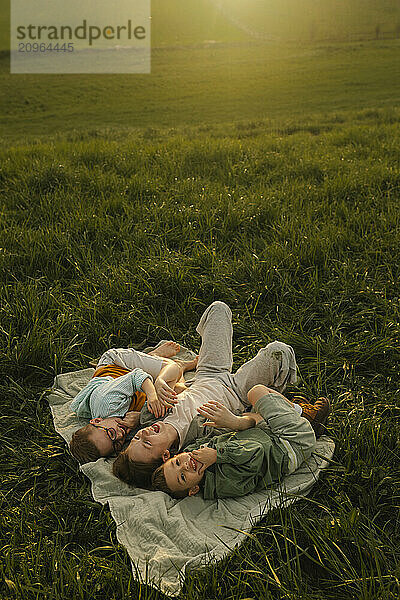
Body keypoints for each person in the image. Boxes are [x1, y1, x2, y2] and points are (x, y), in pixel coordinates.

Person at [112, 301, 328, 485]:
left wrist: (160, 386)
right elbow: (251, 426)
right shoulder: (197, 441)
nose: (145, 434)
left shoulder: (151, 414)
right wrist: (233, 419)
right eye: (147, 443)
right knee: (278, 351)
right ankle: (297, 411)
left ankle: (291, 407)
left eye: (138, 438)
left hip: (208, 373)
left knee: (218, 309)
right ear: (166, 455)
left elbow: (169, 382)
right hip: (240, 392)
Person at [151, 384, 318, 499]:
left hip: (269, 438)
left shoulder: (197, 458)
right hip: (292, 441)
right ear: (194, 489)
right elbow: (257, 451)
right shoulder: (224, 483)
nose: (185, 466)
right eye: (182, 477)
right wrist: (218, 455)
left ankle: (298, 416)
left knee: (251, 415)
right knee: (256, 392)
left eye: (178, 462)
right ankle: (305, 414)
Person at [69, 341, 196, 464]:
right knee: (177, 392)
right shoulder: (120, 434)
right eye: (117, 444)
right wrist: (140, 417)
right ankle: (153, 361)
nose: (120, 435)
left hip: (120, 365)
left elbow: (136, 376)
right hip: (132, 391)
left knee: (172, 369)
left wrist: (152, 396)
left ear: (97, 420)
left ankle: (167, 360)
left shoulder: (106, 401)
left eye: (111, 433)